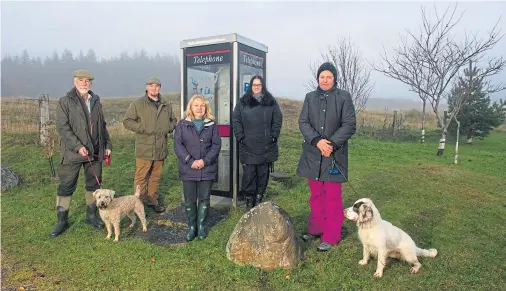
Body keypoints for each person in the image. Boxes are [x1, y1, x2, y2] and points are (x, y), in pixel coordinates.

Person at [296, 62, 357, 252]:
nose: (325, 80)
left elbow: (349, 124)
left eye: (329, 76)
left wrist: (330, 144)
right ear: (318, 78)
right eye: (322, 76)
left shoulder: (344, 97)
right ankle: (316, 229)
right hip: (313, 155)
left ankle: (331, 236)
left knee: (332, 197)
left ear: (334, 78)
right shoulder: (309, 98)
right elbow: (303, 121)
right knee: (316, 195)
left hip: (334, 156)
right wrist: (317, 141)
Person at [51, 69, 112, 237]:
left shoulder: (96, 100)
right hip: (72, 153)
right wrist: (78, 146)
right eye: (81, 80)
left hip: (95, 152)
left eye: (87, 80)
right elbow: (63, 128)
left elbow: (103, 126)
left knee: (94, 186)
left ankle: (92, 216)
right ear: (74, 82)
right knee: (66, 186)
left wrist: (107, 144)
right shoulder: (65, 101)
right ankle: (62, 221)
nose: (85, 83)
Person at [123, 77, 177, 213]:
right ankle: (138, 203)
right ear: (147, 87)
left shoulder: (166, 104)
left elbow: (173, 120)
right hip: (144, 147)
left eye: (157, 86)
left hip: (160, 147)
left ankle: (153, 200)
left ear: (160, 87)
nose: (154, 88)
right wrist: (142, 127)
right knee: (141, 176)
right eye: (151, 86)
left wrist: (168, 128)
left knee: (155, 176)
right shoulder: (138, 104)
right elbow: (127, 121)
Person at [173, 95, 221, 241]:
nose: (199, 108)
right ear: (191, 108)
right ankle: (192, 227)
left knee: (204, 199)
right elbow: (178, 145)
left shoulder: (211, 125)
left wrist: (205, 161)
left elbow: (216, 145)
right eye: (196, 105)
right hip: (188, 169)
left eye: (202, 105)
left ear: (206, 108)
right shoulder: (182, 125)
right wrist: (190, 161)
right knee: (189, 199)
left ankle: (201, 226)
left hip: (207, 169)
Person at [232, 75, 283, 208]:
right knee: (249, 174)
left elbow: (277, 119)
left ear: (263, 86)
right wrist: (240, 136)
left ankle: (259, 196)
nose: (256, 87)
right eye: (254, 85)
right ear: (251, 86)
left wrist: (274, 135)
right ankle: (249, 199)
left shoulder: (270, 101)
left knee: (263, 173)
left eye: (259, 85)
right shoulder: (243, 102)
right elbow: (236, 119)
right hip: (248, 144)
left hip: (266, 145)